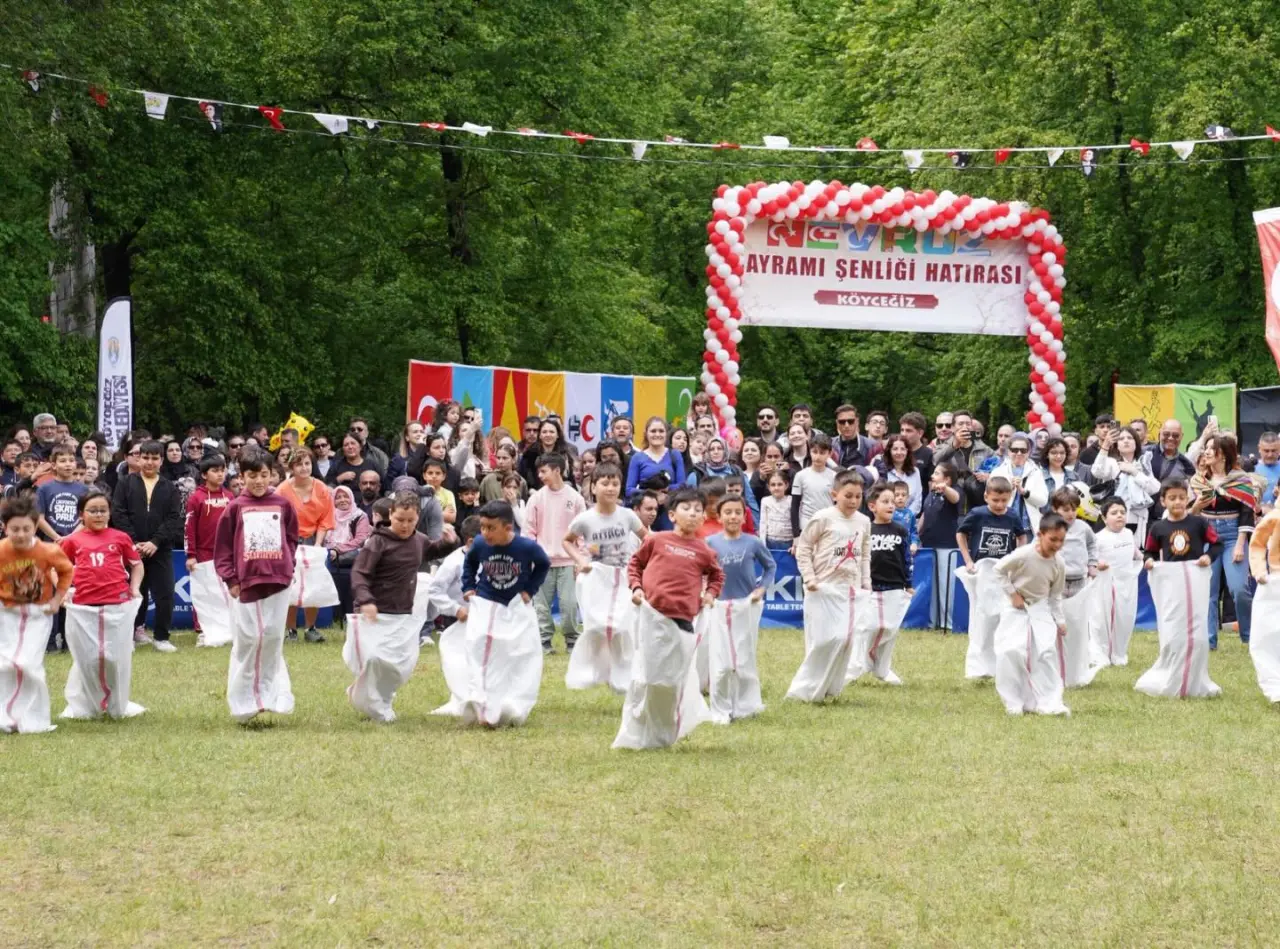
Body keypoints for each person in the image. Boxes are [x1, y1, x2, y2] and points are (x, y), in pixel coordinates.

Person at [615, 487, 722, 750]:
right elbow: (635, 564)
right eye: (687, 509)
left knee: (672, 682)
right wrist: (636, 588)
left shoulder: (703, 550)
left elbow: (717, 576)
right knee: (648, 678)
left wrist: (709, 594)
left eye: (698, 510)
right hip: (652, 617)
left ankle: (664, 734)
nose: (693, 514)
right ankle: (637, 728)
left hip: (683, 622)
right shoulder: (657, 540)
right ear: (672, 515)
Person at [345, 490, 451, 723]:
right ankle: (366, 698)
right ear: (390, 515)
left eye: (410, 521)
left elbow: (432, 550)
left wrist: (449, 541)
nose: (404, 525)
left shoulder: (419, 539)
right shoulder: (377, 542)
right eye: (399, 520)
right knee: (373, 659)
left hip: (402, 612)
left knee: (397, 667)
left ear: (417, 518)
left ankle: (381, 701)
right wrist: (366, 601)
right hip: (373, 612)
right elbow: (360, 573)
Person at [214, 447, 301, 723]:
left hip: (278, 581)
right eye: (252, 475)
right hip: (246, 584)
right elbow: (224, 547)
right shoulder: (235, 507)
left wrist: (287, 567)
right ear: (242, 476)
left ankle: (271, 696)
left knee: (273, 638)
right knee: (248, 639)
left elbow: (291, 537)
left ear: (272, 475)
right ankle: (242, 701)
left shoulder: (283, 504)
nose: (259, 481)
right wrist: (231, 578)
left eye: (264, 475)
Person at [452, 500, 551, 727]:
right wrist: (468, 586)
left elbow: (543, 564)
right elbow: (470, 562)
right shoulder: (479, 544)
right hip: (486, 602)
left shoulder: (527, 547)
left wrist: (530, 589)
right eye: (483, 527)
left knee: (516, 651)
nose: (485, 533)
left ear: (508, 528)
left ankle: (510, 701)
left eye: (491, 528)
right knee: (481, 647)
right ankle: (482, 701)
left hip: (515, 606)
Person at [58, 490, 147, 720]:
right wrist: (63, 590)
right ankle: (87, 702)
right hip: (83, 607)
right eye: (92, 511)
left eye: (103, 510)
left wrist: (134, 587)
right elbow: (55, 568)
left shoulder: (120, 537)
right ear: (81, 514)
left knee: (115, 657)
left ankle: (117, 702)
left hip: (117, 605)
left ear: (109, 512)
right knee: (88, 658)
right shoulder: (72, 541)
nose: (98, 515)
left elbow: (136, 565)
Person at [785, 470, 871, 702]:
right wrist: (809, 577)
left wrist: (866, 582)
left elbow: (864, 555)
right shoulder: (823, 517)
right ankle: (804, 689)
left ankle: (831, 687)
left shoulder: (864, 521)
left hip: (850, 590)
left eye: (858, 496)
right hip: (822, 587)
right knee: (823, 640)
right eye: (848, 496)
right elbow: (803, 547)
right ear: (835, 494)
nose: (853, 501)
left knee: (845, 640)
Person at [562, 463, 647, 692]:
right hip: (597, 577)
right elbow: (567, 540)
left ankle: (622, 675)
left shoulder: (628, 515)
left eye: (615, 484)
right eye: (605, 483)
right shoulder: (585, 519)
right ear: (594, 488)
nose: (610, 488)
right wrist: (581, 561)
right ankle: (589, 671)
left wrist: (641, 563)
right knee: (598, 625)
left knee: (622, 625)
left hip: (623, 577)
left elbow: (647, 539)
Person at [1136, 479, 1222, 699]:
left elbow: (1216, 544)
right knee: (1174, 629)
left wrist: (1207, 556)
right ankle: (1172, 673)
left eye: (1182, 498)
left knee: (1196, 631)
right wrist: (1148, 561)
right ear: (1163, 501)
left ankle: (1195, 677)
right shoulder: (1158, 527)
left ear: (1187, 499)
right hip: (1172, 584)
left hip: (1195, 580)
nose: (1177, 502)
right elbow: (1150, 551)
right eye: (1172, 498)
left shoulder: (1198, 524)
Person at [0, 496, 73, 733]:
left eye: (26, 529)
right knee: (6, 664)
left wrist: (57, 598)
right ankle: (6, 716)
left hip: (37, 614)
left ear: (34, 527)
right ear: (5, 527)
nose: (20, 534)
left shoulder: (47, 550)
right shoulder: (2, 550)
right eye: (15, 529)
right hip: (7, 612)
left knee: (29, 664)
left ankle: (34, 720)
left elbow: (66, 571)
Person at [991, 513, 1070, 717]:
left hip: (1040, 608)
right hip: (1015, 609)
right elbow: (998, 570)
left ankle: (1049, 701)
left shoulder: (1059, 564)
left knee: (1045, 654)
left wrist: (1060, 620)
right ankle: (1013, 701)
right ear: (1040, 534)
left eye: (1061, 540)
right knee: (1010, 651)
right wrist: (1013, 595)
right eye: (1053, 539)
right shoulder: (1023, 554)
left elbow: (1055, 595)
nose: (1057, 544)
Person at [704, 493, 774, 723]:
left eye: (737, 512)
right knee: (721, 662)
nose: (733, 517)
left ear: (744, 517)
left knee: (743, 659)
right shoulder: (711, 543)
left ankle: (745, 705)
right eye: (728, 512)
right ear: (719, 516)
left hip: (746, 607)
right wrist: (705, 592)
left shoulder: (752, 542)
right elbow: (699, 570)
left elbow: (770, 566)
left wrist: (761, 588)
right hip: (719, 606)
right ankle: (720, 709)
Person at [111, 440, 184, 652]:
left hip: (160, 549)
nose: (149, 462)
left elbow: (173, 518)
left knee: (165, 593)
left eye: (154, 458)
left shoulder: (169, 487)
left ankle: (161, 636)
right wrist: (133, 542)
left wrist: (155, 542)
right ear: (138, 458)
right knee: (133, 593)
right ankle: (130, 635)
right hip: (131, 549)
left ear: (161, 461)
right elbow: (118, 514)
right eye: (145, 457)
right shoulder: (125, 483)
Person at [1191, 434, 1259, 649]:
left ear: (1224, 454)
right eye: (1207, 448)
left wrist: (1240, 544)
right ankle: (1210, 641)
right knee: (1208, 592)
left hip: (1232, 537)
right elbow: (1192, 513)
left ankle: (1249, 637)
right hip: (1208, 537)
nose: (1207, 452)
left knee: (1239, 590)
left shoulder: (1242, 480)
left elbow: (1247, 514)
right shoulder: (1200, 481)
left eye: (1212, 449)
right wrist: (1197, 507)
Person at [845, 482, 913, 686]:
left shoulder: (900, 530)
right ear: (873, 506)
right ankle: (856, 666)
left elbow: (906, 559)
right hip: (871, 587)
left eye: (892, 502)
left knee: (890, 629)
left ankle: (882, 669)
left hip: (895, 586)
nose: (891, 505)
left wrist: (908, 583)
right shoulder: (865, 528)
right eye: (885, 501)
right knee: (867, 626)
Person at [526, 453, 587, 654]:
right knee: (541, 606)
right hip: (542, 562)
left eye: (544, 471)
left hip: (568, 561)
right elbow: (529, 531)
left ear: (557, 470)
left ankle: (572, 640)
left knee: (570, 605)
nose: (540, 475)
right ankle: (543, 642)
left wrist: (581, 559)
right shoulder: (536, 498)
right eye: (539, 471)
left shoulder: (575, 498)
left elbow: (582, 534)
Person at [277, 447, 336, 643]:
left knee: (314, 585)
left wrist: (318, 544)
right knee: (291, 587)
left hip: (313, 541)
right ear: (292, 467)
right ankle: (291, 630)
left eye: (307, 463)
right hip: (289, 541)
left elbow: (326, 519)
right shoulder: (283, 490)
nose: (304, 468)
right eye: (299, 464)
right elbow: (278, 518)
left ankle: (311, 628)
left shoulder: (321, 488)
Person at [184, 454, 234, 646]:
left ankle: (227, 628)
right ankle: (202, 630)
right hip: (203, 552)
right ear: (204, 475)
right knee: (204, 592)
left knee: (227, 592)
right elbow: (189, 528)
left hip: (227, 553)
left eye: (222, 470)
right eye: (215, 471)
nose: (220, 474)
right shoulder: (196, 498)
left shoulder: (229, 496)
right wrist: (191, 555)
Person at [1091, 497, 1143, 668]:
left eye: (1122, 512)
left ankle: (1119, 653)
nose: (1119, 516)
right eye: (1114, 513)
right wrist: (1099, 565)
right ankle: (1101, 653)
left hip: (1127, 584)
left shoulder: (1129, 534)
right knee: (1102, 618)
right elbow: (1090, 560)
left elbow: (1136, 554)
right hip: (1105, 585)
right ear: (1105, 518)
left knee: (1125, 618)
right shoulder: (1098, 538)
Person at [1091, 426, 1160, 545]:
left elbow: (1154, 488)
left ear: (1136, 443)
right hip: (1113, 516)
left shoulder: (1142, 464)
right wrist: (1105, 446)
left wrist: (1134, 472)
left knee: (1134, 553)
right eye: (1121, 438)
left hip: (1137, 517)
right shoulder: (1112, 462)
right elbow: (1096, 471)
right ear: (1117, 444)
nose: (1126, 441)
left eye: (1130, 438)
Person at [920, 463, 962, 630]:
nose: (932, 476)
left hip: (947, 545)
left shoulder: (954, 491)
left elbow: (955, 498)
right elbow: (925, 514)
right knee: (933, 585)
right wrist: (916, 534)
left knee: (946, 585)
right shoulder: (931, 492)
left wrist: (945, 488)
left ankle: (947, 623)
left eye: (937, 473)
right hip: (929, 543)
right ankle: (933, 622)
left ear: (947, 479)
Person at [323, 485, 372, 618]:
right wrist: (330, 549)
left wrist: (337, 549)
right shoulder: (329, 515)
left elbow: (360, 540)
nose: (342, 500)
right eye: (338, 497)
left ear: (351, 498)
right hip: (331, 555)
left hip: (351, 556)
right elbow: (324, 536)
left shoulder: (360, 516)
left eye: (345, 496)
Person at [991, 433, 1048, 532]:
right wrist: (1009, 488)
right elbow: (990, 498)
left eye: (1023, 450)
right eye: (1015, 450)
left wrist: (1024, 492)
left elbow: (1043, 501)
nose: (1019, 453)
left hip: (1029, 527)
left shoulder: (1036, 472)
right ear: (1008, 451)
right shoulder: (998, 471)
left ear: (1029, 452)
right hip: (1003, 525)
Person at [35, 443, 87, 542]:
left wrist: (70, 538)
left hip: (77, 541)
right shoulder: (44, 488)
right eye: (63, 461)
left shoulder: (84, 490)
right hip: (51, 541)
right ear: (54, 465)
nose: (68, 464)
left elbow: (85, 519)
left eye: (71, 460)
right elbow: (39, 518)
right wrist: (57, 537)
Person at [626, 416, 685, 498]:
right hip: (645, 507)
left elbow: (682, 486)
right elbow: (629, 490)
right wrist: (652, 494)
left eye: (661, 431)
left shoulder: (675, 454)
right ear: (646, 434)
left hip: (669, 506)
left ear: (666, 434)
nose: (657, 434)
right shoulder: (637, 458)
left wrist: (666, 489)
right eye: (653, 431)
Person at [791, 432, 835, 534]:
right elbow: (794, 506)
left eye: (822, 453)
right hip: (806, 526)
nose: (817, 456)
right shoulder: (800, 476)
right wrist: (796, 535)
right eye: (814, 452)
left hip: (828, 526)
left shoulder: (834, 476)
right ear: (809, 451)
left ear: (829, 453)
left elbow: (837, 504)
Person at [874, 434, 921, 515]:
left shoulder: (915, 471)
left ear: (907, 451)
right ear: (889, 451)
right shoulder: (882, 471)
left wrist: (906, 516)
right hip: (886, 519)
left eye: (902, 449)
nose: (899, 452)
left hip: (909, 519)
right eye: (895, 449)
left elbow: (917, 499)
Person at [519, 418, 574, 487]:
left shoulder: (565, 456)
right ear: (540, 435)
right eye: (544, 432)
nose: (548, 435)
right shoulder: (529, 456)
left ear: (558, 435)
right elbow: (523, 481)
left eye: (551, 432)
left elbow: (571, 481)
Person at [1039, 436, 1078, 509]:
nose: (1059, 456)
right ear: (1047, 454)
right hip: (1045, 518)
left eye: (1062, 453)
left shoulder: (1074, 476)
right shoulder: (1038, 475)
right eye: (1054, 453)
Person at [899, 412, 934, 484]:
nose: (903, 434)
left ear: (920, 433)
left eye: (908, 431)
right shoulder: (895, 452)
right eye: (902, 430)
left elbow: (932, 485)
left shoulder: (929, 454)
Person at [1253, 432, 1280, 512]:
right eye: (1266, 451)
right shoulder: (1251, 469)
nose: (1270, 455)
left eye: (1273, 451)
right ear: (1259, 448)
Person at [423, 460, 456, 524]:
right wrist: (443, 513)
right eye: (430, 473)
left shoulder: (448, 494)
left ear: (443, 476)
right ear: (424, 475)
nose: (434, 476)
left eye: (438, 473)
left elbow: (452, 518)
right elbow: (419, 516)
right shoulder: (419, 492)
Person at [890, 482, 919, 554]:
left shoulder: (910, 514)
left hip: (906, 549)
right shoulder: (889, 512)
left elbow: (914, 532)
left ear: (908, 497)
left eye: (903, 495)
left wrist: (914, 543)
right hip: (891, 548)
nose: (900, 497)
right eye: (897, 495)